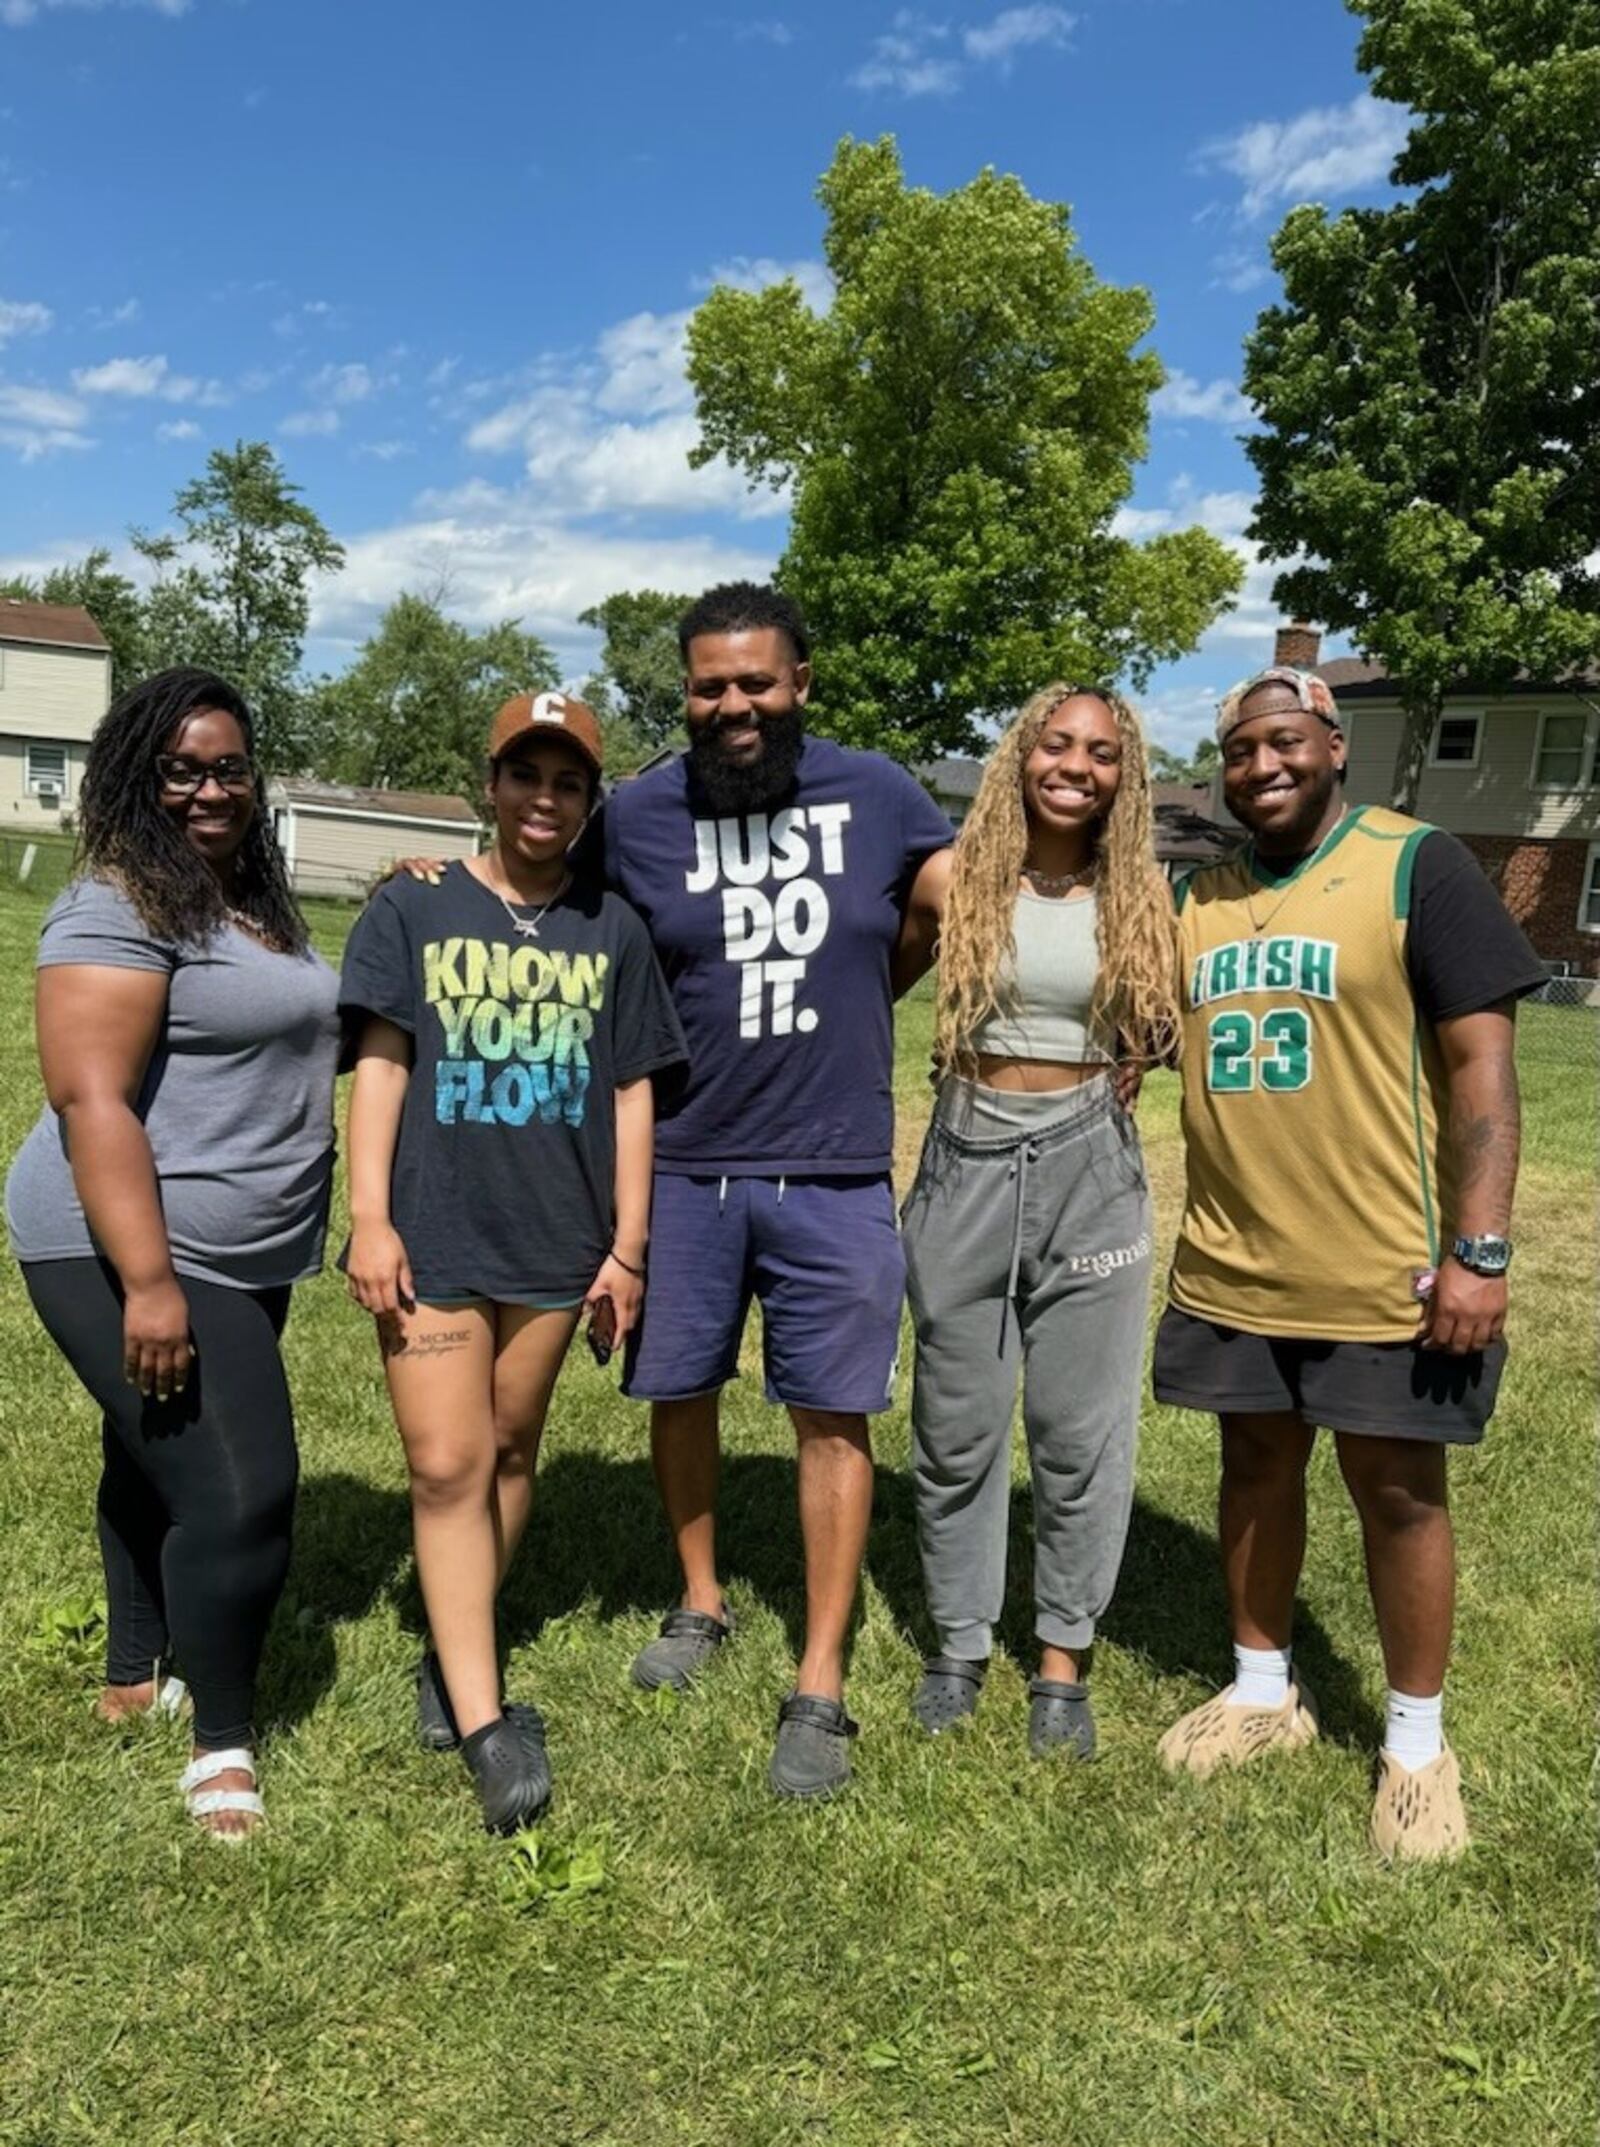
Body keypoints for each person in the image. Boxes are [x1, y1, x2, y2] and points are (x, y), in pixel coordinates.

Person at [1152, 665, 1546, 1861]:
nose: (1261, 765)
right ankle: (1262, 1688)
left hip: (1386, 1268)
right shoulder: (1197, 895)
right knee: (1254, 1469)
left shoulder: (1417, 865)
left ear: (1332, 746)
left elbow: (1482, 1065)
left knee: (1397, 1492)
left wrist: (1478, 1249)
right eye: (1238, 750)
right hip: (1232, 1260)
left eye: (1285, 741)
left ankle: (1418, 1746)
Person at [608, 581, 954, 1800]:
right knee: (679, 1386)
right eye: (710, 685)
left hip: (836, 1164)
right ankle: (700, 1598)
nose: (733, 704)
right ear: (686, 693)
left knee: (833, 1412)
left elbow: (947, 903)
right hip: (684, 1161)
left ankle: (820, 1676)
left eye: (757, 681)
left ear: (802, 684)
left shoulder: (882, 793)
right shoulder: (637, 811)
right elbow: (545, 897)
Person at [339, 691, 684, 1834]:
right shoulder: (414, 907)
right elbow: (381, 1064)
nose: (546, 798)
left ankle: (455, 1646)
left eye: (569, 781)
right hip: (435, 1228)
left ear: (588, 800)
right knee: (447, 1463)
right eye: (525, 774)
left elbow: (633, 1089)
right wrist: (372, 1217)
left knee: (512, 1445)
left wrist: (626, 1247)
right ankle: (489, 1723)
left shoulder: (612, 928)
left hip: (557, 1234)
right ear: (489, 782)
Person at [5, 668, 341, 1841]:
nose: (210, 788)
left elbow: (289, 1035)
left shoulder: (247, 899)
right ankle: (222, 1741)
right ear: (137, 775)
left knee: (155, 1445)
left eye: (230, 766)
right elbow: (91, 1095)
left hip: (243, 1240)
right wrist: (147, 1282)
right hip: (126, 1235)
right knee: (243, 1490)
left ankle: (135, 1662)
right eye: (182, 767)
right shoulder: (115, 901)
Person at [893, 685, 1179, 1757]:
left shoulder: (1145, 892)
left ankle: (1061, 1657)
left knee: (1078, 1430)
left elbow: (1172, 1027)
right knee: (957, 1422)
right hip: (964, 1151)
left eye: (1101, 752)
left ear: (1125, 776)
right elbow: (854, 987)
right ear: (1019, 755)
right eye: (1055, 742)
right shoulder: (949, 878)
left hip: (1087, 1165)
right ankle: (959, 1642)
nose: (1075, 764)